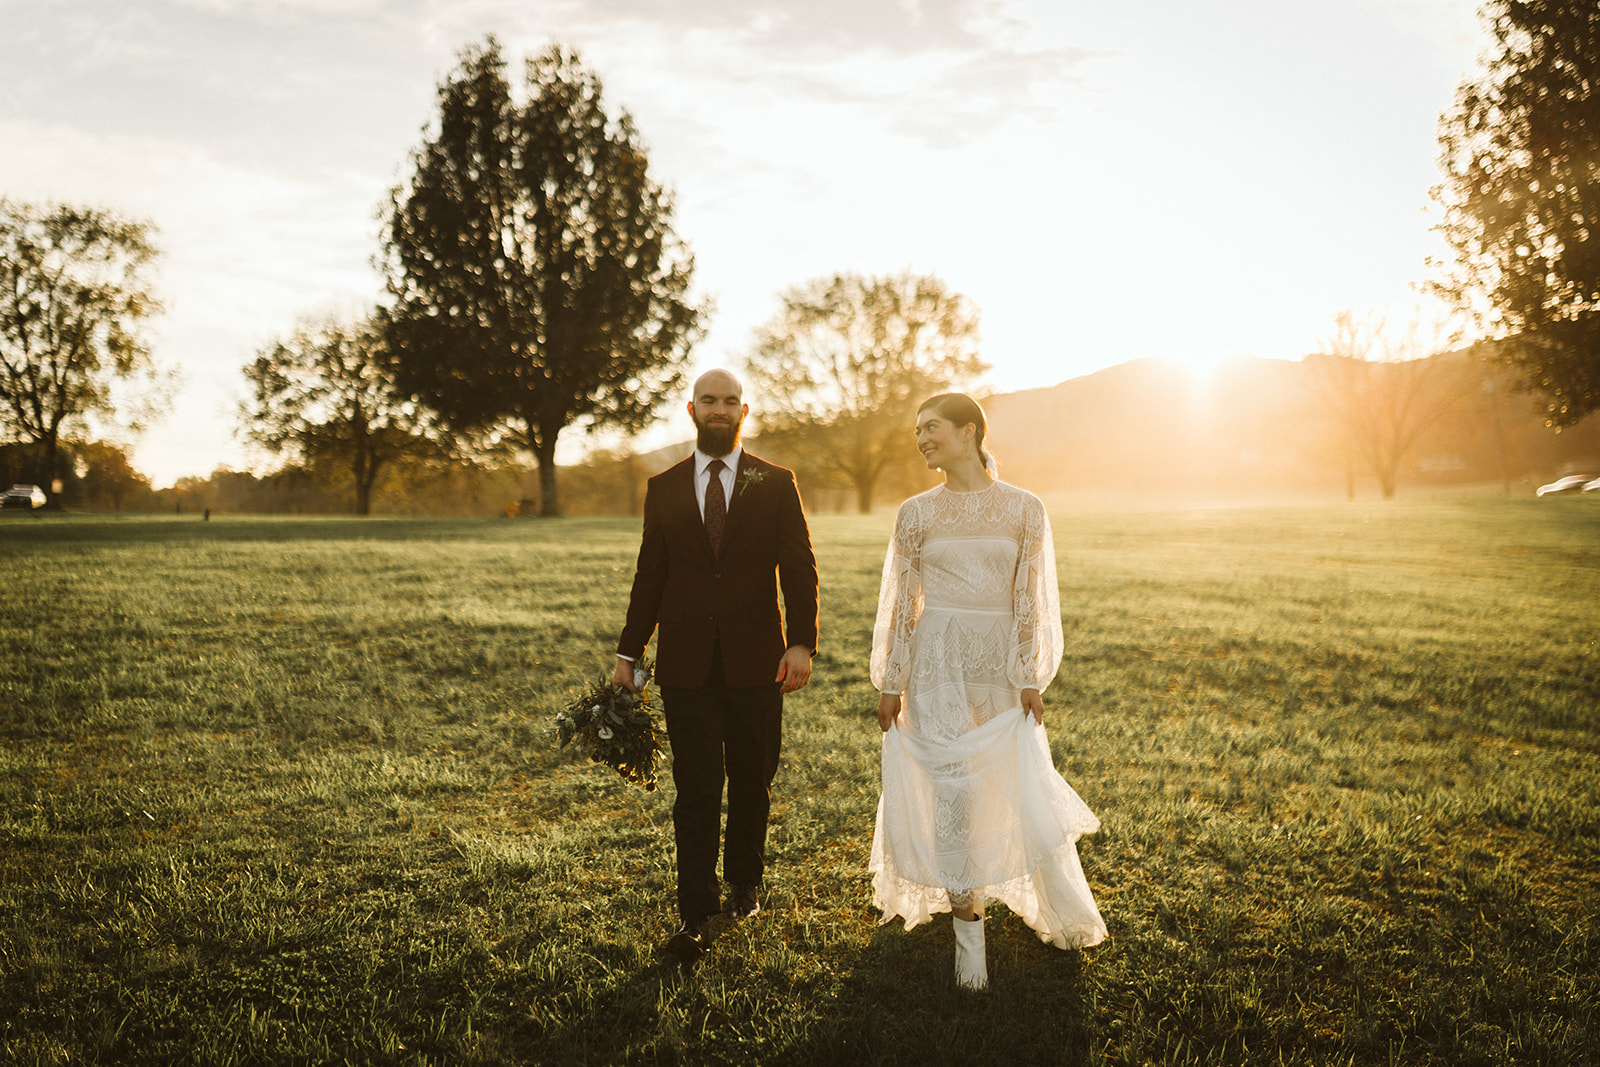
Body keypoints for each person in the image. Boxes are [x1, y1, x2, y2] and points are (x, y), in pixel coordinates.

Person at [869, 392, 1106, 990]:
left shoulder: (1025, 509)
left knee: (1010, 782)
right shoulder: (915, 512)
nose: (921, 439)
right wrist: (892, 681)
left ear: (969, 431)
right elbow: (904, 604)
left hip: (999, 664)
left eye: (932, 428)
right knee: (951, 789)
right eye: (917, 431)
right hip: (936, 662)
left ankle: (1042, 899)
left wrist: (1028, 676)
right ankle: (966, 936)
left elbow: (1029, 600)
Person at [615, 368, 820, 961]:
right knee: (697, 790)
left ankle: (745, 882)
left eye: (731, 401)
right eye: (710, 400)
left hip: (760, 662)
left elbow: (799, 568)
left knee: (754, 781)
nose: (720, 409)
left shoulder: (777, 483)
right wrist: (630, 652)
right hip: (686, 666)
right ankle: (696, 911)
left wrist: (801, 642)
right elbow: (650, 574)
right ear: (691, 409)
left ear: (745, 411)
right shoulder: (665, 486)